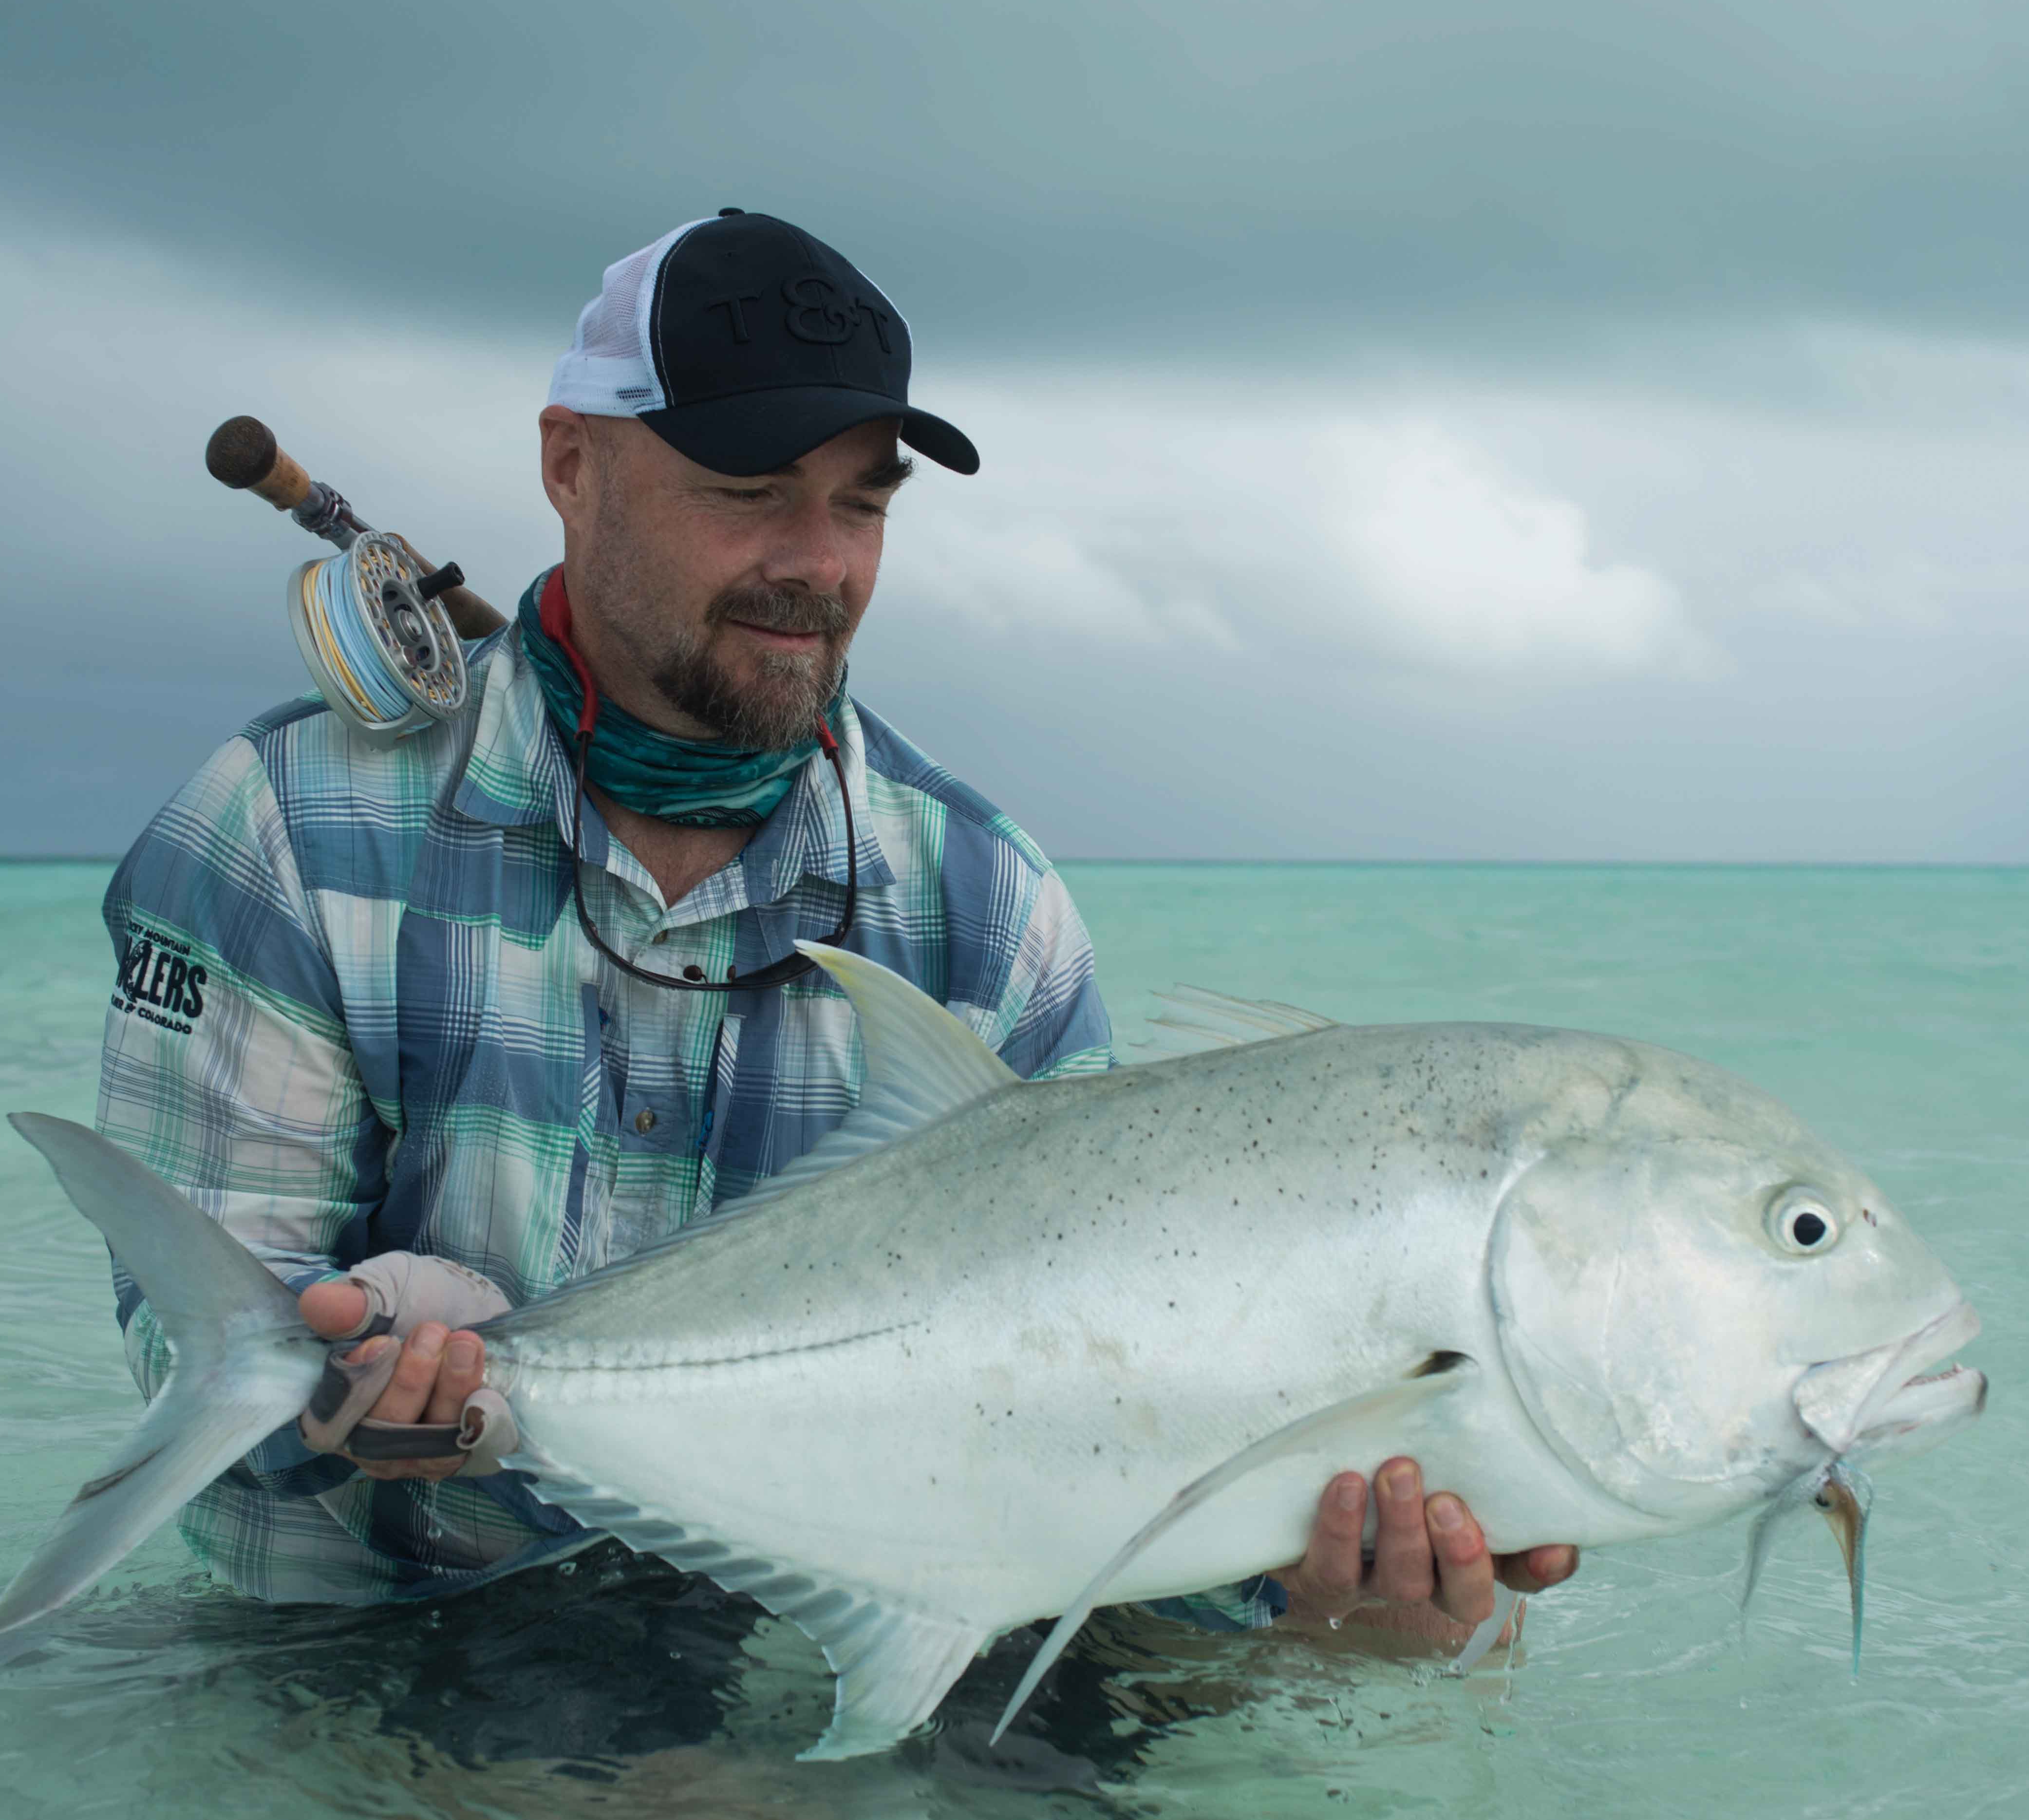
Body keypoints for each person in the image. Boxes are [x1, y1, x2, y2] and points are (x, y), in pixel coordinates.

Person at [95, 208, 1575, 1683]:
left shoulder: (987, 913)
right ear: (569, 465)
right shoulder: (286, 831)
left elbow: (1083, 1472)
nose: (817, 564)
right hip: (379, 1664)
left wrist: (1319, 1607)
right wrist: (345, 1384)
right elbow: (204, 1378)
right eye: (748, 491)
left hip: (803, 1672)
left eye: (863, 505)